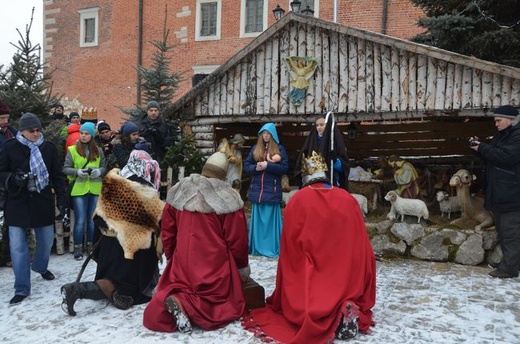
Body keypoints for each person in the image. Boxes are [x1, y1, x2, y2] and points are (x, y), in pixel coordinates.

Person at [242, 151, 376, 343]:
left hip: (313, 273)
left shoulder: (298, 199)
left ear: (306, 176)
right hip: (344, 272)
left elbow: (290, 246)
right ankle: (344, 306)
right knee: (347, 273)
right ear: (324, 173)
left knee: (306, 293)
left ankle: (322, 310)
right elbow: (362, 244)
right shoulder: (347, 199)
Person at [143, 151, 250, 333]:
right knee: (220, 300)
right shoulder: (228, 197)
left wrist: (172, 256)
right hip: (215, 263)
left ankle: (180, 300)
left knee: (179, 287)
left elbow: (168, 231)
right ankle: (184, 303)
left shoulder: (180, 190)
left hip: (184, 258)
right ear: (224, 174)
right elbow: (237, 239)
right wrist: (241, 266)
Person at [61, 150, 163, 315]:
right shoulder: (143, 187)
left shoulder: (115, 181)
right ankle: (93, 291)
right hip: (130, 250)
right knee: (129, 287)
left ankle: (80, 289)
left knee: (111, 279)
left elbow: (98, 217)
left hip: (108, 246)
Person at [0, 113, 67, 305]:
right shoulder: (9, 147)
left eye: (38, 130)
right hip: (17, 203)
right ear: (22, 131)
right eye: (32, 131)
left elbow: (57, 175)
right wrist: (13, 178)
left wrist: (62, 200)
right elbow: (1, 172)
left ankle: (40, 266)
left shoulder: (48, 148)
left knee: (46, 242)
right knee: (18, 248)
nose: (36, 134)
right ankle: (21, 288)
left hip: (42, 201)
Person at [470, 105, 520, 279]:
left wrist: (483, 147)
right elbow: (493, 156)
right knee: (504, 232)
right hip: (501, 193)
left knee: (511, 233)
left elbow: (507, 156)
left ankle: (509, 269)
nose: (496, 124)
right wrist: (478, 149)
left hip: (512, 194)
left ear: (511, 120)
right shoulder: (502, 135)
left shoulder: (517, 136)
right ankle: (510, 263)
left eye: (499, 121)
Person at [63, 122, 106, 260]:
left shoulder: (98, 151)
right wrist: (78, 172)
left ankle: (91, 246)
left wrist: (99, 171)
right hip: (79, 190)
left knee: (92, 220)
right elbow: (65, 168)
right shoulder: (72, 149)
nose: (83, 136)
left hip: (94, 188)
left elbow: (104, 167)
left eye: (87, 133)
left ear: (92, 135)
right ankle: (78, 248)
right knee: (80, 220)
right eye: (82, 133)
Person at [244, 123, 288, 257]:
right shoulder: (255, 149)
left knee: (270, 222)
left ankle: (271, 247)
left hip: (272, 191)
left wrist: (267, 166)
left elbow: (284, 168)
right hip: (257, 190)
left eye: (268, 133)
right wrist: (255, 168)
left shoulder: (280, 149)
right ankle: (257, 247)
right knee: (258, 222)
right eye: (263, 133)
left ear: (273, 135)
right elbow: (247, 165)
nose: (265, 136)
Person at [294, 115, 350, 190]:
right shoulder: (312, 141)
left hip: (331, 182)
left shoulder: (335, 141)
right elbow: (303, 161)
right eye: (317, 125)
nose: (319, 127)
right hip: (313, 183)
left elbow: (343, 168)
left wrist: (335, 161)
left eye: (322, 125)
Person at [136, 101, 177, 165]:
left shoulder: (164, 125)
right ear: (147, 111)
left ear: (158, 111)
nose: (153, 113)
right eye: (151, 110)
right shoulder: (140, 124)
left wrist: (159, 137)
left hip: (160, 157)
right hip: (143, 157)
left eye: (155, 110)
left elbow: (169, 142)